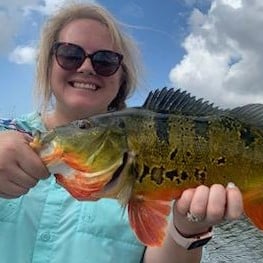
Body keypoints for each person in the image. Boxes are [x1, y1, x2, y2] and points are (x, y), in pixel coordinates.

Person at [0, 3, 243, 263]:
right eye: (70, 54)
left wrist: (188, 229)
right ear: (47, 65)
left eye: (105, 61)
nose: (86, 67)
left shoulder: (157, 172)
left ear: (121, 78)